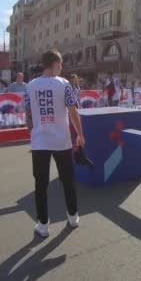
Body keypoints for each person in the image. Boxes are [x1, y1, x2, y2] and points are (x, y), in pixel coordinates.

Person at [24, 49, 85, 238]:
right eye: (61, 64)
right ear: (56, 64)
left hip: (40, 141)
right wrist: (80, 135)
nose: (62, 67)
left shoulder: (30, 86)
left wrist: (32, 132)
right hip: (62, 140)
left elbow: (28, 113)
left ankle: (42, 226)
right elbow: (73, 112)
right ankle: (73, 217)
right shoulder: (64, 84)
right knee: (68, 180)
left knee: (40, 185)